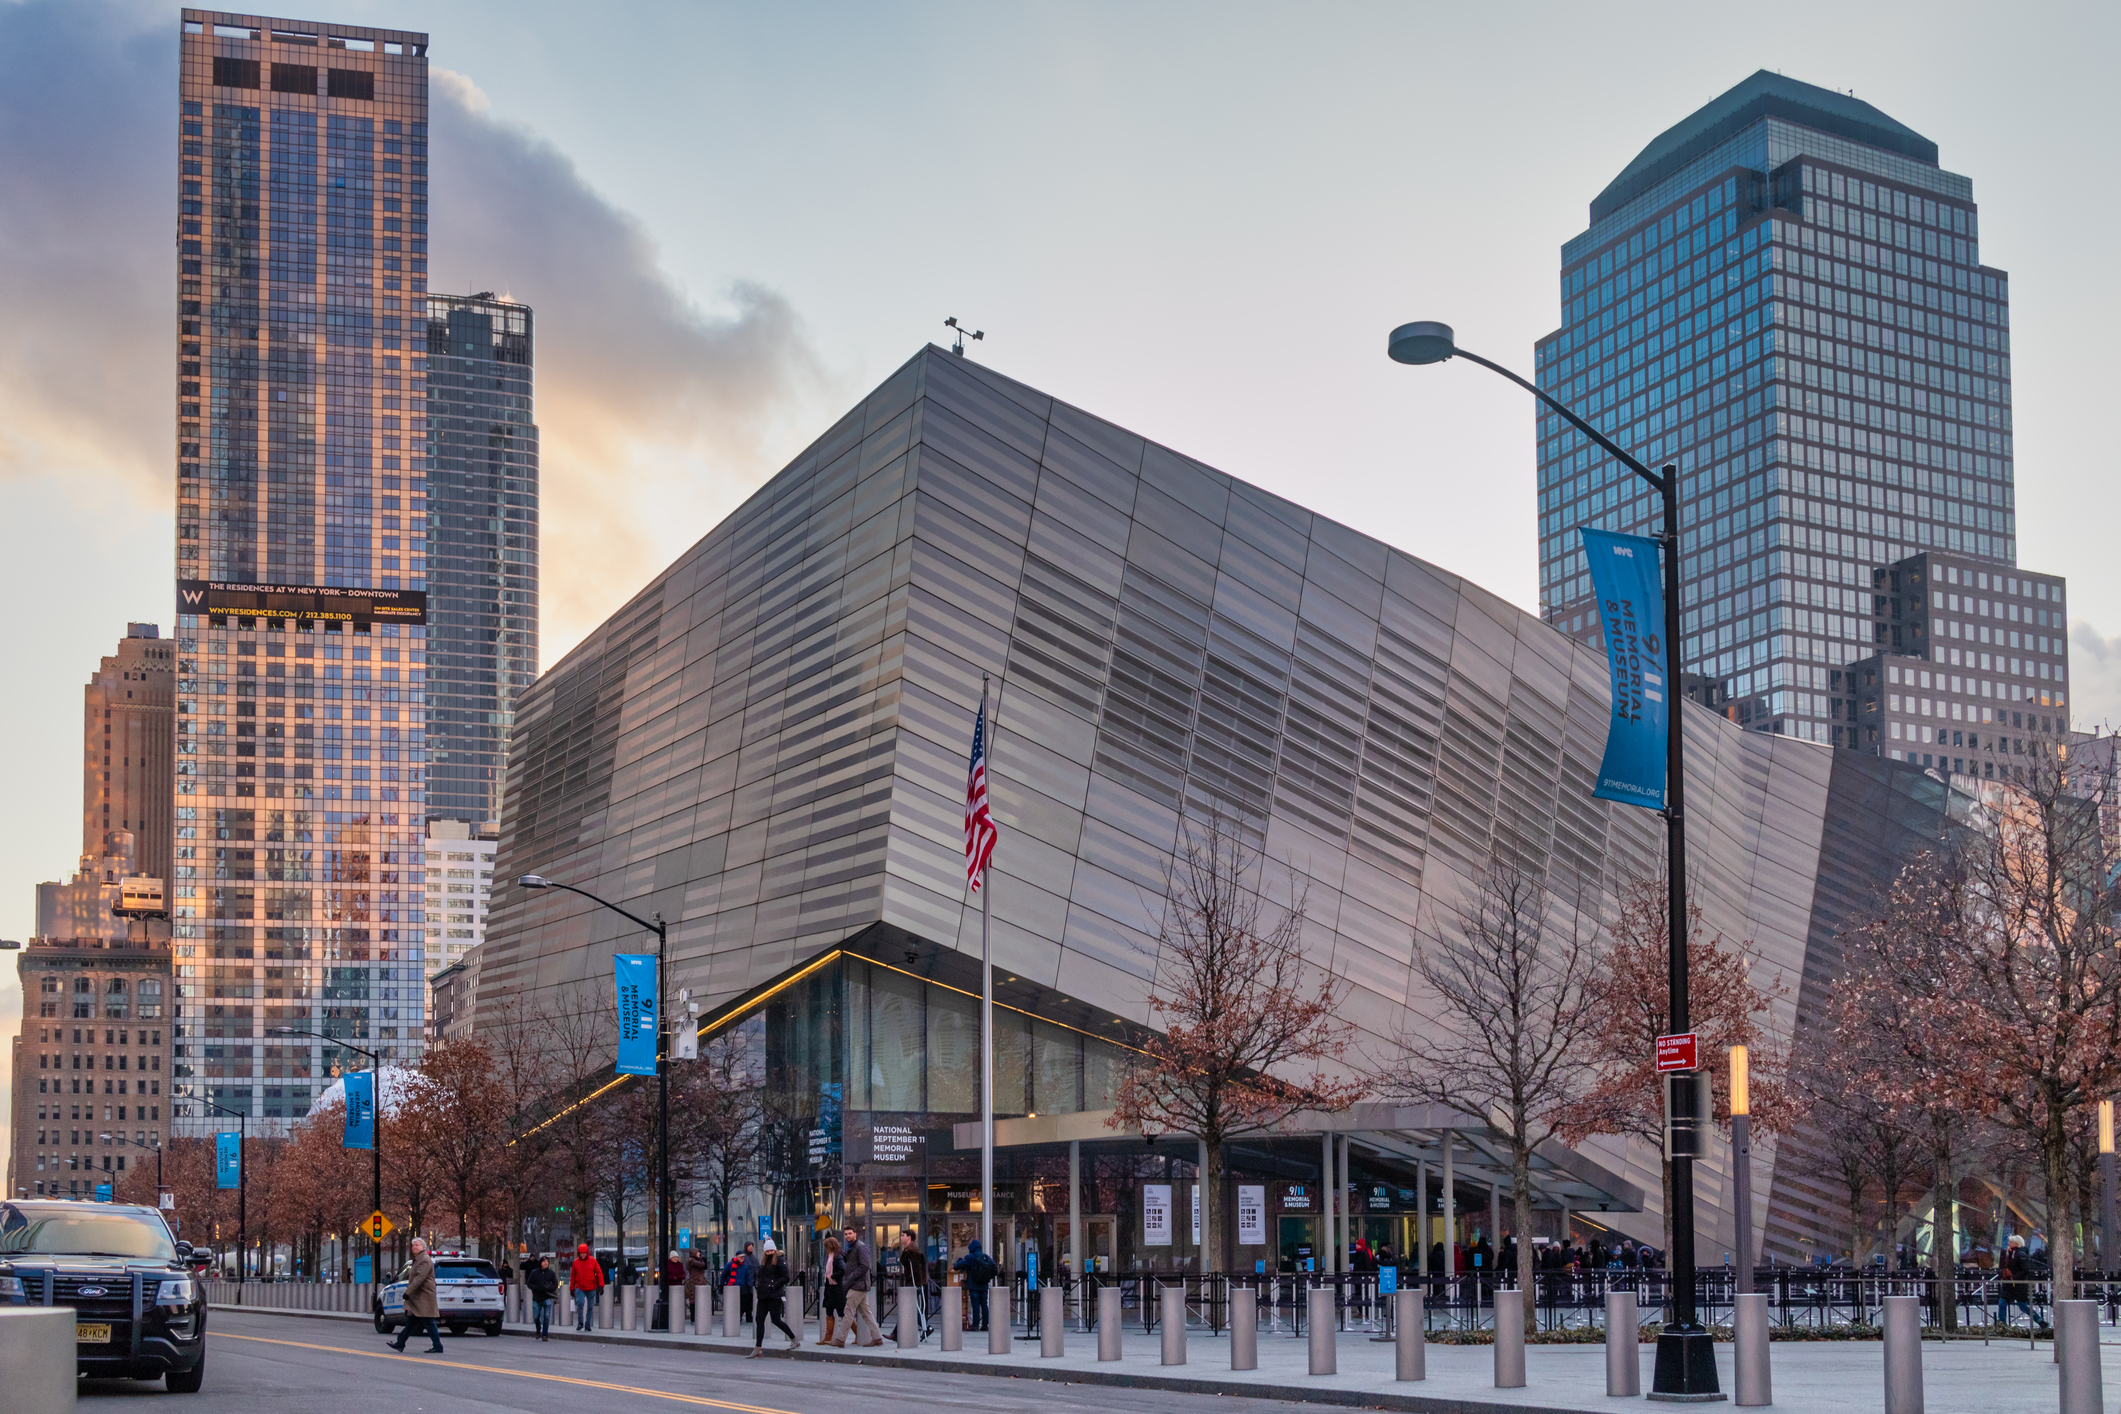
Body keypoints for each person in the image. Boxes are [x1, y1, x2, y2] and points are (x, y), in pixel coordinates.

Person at [389, 1237, 445, 1354]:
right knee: (412, 1321)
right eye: (413, 1245)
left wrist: (408, 1292)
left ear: (423, 1247)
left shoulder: (424, 1259)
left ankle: (438, 1346)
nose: (415, 1247)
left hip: (424, 1296)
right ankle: (400, 1343)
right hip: (418, 1296)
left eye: (417, 1245)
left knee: (428, 1321)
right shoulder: (418, 1259)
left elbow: (420, 1278)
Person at [747, 1240, 799, 1356]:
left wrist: (774, 1285)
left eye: (771, 1250)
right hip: (763, 1294)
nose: (769, 1252)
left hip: (774, 1294)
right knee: (759, 1319)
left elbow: (785, 1277)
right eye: (767, 1251)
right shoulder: (764, 1262)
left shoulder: (780, 1260)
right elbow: (760, 1275)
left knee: (776, 1320)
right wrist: (757, 1283)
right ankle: (758, 1347)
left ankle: (793, 1338)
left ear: (775, 1250)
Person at [835, 1226, 882, 1347]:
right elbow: (854, 1263)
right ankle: (877, 1337)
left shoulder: (860, 1247)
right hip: (858, 1284)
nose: (848, 1236)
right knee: (866, 1313)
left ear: (855, 1234)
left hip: (858, 1285)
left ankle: (840, 1339)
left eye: (850, 1233)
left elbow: (864, 1266)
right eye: (845, 1234)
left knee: (848, 1311)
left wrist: (850, 1277)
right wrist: (845, 1256)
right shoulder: (852, 1247)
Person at [953, 1238, 998, 1332]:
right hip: (984, 1285)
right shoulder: (985, 1257)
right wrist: (988, 1278)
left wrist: (956, 1263)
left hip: (973, 1285)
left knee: (975, 1305)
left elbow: (959, 1266)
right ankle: (985, 1324)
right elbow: (995, 1268)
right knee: (984, 1305)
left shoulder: (970, 1257)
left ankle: (975, 1325)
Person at [895, 1233, 929, 1341]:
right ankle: (896, 1333)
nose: (901, 1237)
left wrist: (918, 1284)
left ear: (909, 1237)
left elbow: (917, 1269)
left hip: (913, 1284)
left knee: (909, 1308)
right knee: (909, 1308)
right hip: (911, 1283)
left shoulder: (913, 1252)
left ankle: (927, 1327)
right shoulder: (907, 1251)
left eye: (903, 1235)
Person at [1997, 1235, 2036, 1329]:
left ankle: (2039, 1320)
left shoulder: (2020, 1254)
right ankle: (2001, 1324)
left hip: (2017, 1285)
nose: (2009, 1244)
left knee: (2023, 1306)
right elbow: (2006, 1265)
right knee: (2002, 1303)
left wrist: (2013, 1277)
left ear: (2016, 1244)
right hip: (2009, 1285)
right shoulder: (2011, 1254)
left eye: (2011, 1242)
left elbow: (2025, 1270)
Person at [569, 1241, 606, 1332]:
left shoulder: (593, 1261)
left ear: (587, 1253)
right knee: (580, 1303)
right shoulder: (576, 1262)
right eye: (581, 1253)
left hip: (591, 1287)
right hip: (580, 1287)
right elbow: (573, 1275)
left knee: (590, 1307)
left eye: (584, 1253)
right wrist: (572, 1288)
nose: (582, 1255)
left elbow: (599, 1273)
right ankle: (580, 1322)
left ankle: (588, 1324)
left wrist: (601, 1285)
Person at [817, 1235, 846, 1345]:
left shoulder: (838, 1257)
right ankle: (827, 1337)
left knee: (841, 1313)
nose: (825, 1249)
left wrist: (833, 1276)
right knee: (829, 1311)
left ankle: (857, 1332)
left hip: (836, 1288)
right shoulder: (831, 1256)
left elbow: (843, 1270)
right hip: (830, 1288)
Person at [526, 1256, 559, 1342]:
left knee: (546, 1317)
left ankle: (545, 1334)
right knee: (536, 1316)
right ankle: (538, 1329)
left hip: (547, 1297)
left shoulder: (551, 1273)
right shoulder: (534, 1273)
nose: (545, 1263)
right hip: (537, 1298)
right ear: (540, 1263)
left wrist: (548, 1288)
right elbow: (529, 1284)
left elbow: (555, 1284)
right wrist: (537, 1288)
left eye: (547, 1261)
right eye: (544, 1261)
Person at [684, 1247, 711, 1330]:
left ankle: (698, 1318)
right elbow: (702, 1265)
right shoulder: (692, 1261)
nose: (699, 1254)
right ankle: (693, 1318)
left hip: (700, 1282)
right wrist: (702, 1260)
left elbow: (704, 1266)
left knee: (699, 1301)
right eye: (698, 1253)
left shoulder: (697, 1260)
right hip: (694, 1283)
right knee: (693, 1301)